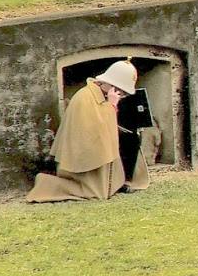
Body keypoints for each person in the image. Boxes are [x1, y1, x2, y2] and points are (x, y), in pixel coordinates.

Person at [26, 60, 150, 201]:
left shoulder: (100, 94)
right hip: (83, 149)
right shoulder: (84, 97)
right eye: (121, 91)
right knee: (124, 140)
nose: (122, 95)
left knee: (131, 139)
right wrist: (112, 105)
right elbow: (92, 131)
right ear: (111, 85)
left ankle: (122, 181)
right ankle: (49, 184)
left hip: (96, 139)